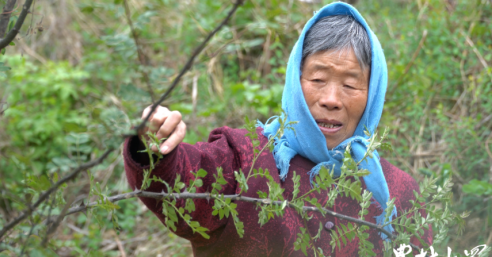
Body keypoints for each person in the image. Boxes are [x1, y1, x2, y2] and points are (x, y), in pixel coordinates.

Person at [123, 2, 432, 256]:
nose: (331, 99)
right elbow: (180, 188)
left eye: (351, 84)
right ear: (294, 82)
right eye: (317, 79)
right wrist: (154, 147)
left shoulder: (400, 195)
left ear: (373, 94)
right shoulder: (242, 160)